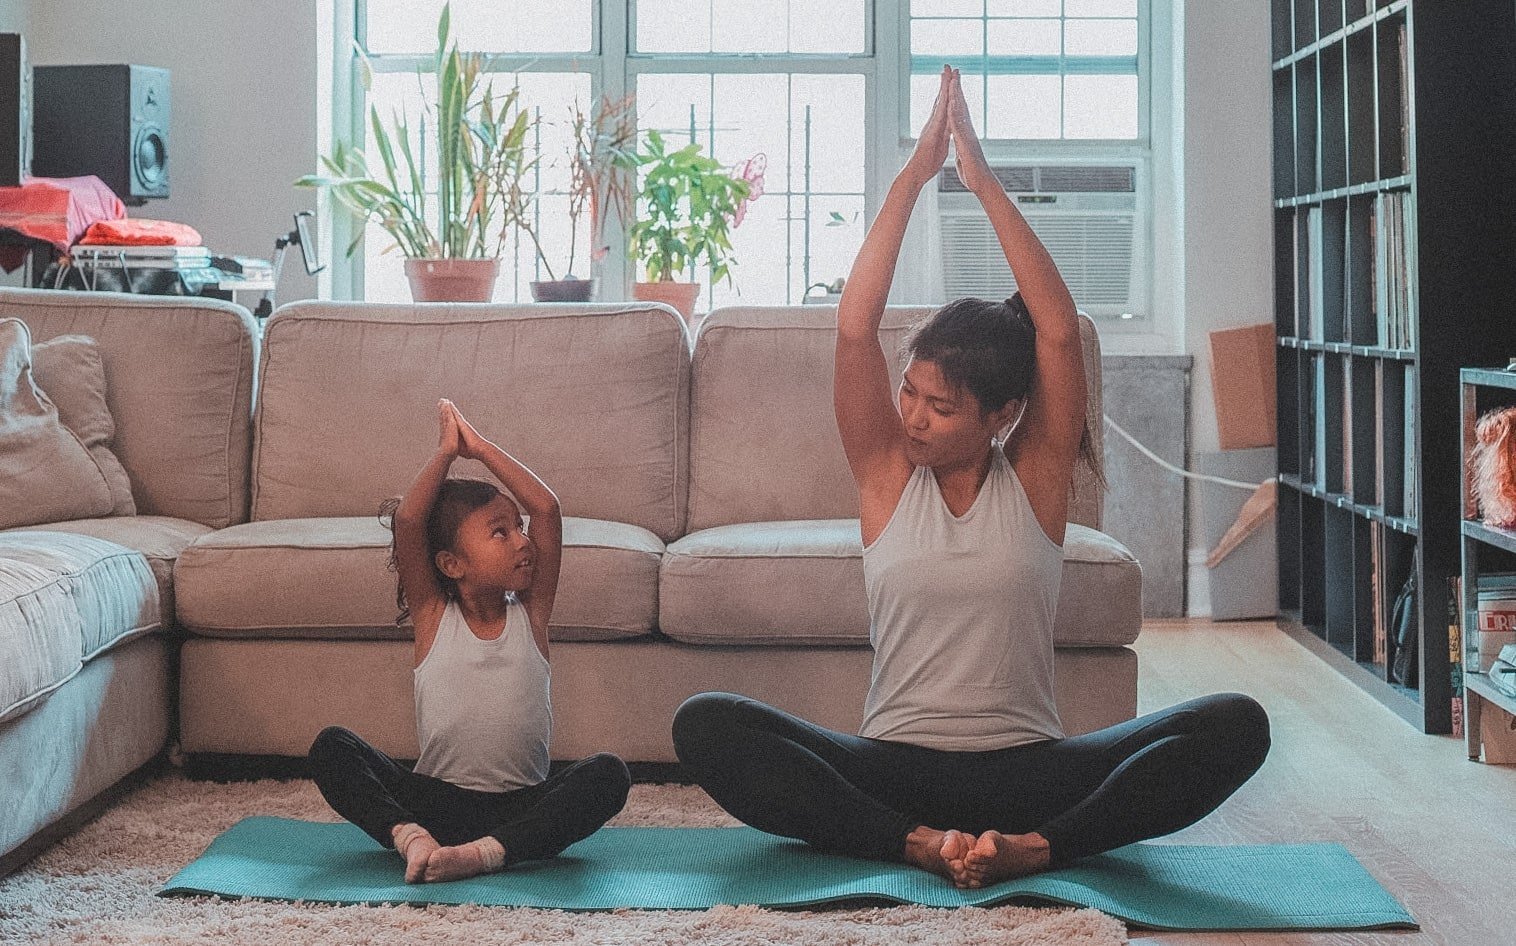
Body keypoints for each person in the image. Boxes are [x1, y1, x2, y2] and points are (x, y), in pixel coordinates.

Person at [672, 66, 1270, 889]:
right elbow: (854, 330)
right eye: (908, 394)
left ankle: (1039, 847)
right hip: (891, 765)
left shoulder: (1034, 476)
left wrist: (983, 184)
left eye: (939, 408)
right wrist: (916, 175)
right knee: (706, 725)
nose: (912, 417)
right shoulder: (887, 472)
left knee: (1237, 724)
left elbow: (1059, 334)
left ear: (1001, 414)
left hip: (1029, 771)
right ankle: (914, 842)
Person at [307, 399, 630, 884]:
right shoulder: (434, 616)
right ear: (451, 564)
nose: (523, 541)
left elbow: (547, 508)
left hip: (523, 805)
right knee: (332, 747)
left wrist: (478, 449)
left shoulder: (532, 615)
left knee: (608, 774)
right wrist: (444, 454)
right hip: (436, 801)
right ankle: (413, 840)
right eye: (500, 533)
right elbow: (410, 523)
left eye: (517, 529)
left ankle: (484, 854)